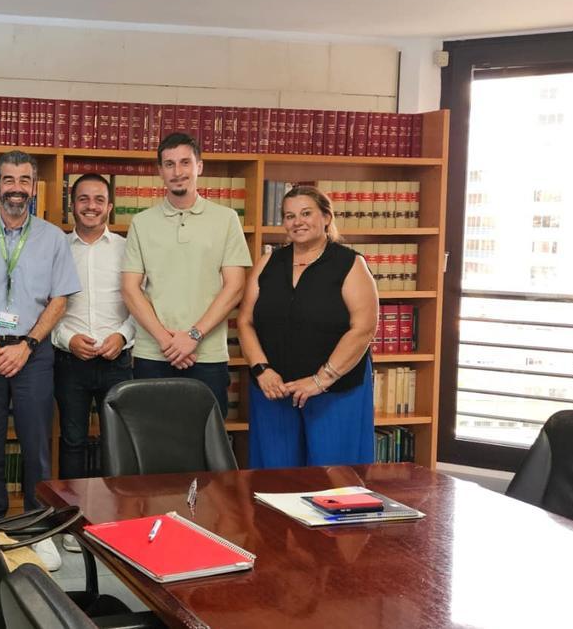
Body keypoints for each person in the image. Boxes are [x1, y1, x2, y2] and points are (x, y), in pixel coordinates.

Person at [0, 150, 81, 571]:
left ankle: (36, 527)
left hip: (35, 353)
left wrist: (26, 343)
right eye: (8, 180)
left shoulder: (53, 238)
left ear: (34, 187)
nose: (16, 189)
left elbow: (60, 298)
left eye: (24, 180)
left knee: (36, 446)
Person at [237, 185, 378, 467]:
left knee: (333, 483)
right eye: (289, 216)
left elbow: (363, 329)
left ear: (326, 217)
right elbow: (245, 321)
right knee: (274, 480)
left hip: (334, 393)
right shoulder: (268, 263)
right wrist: (262, 370)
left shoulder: (350, 263)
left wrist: (320, 380)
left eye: (306, 213)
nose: (297, 222)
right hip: (274, 391)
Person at [121, 132, 252, 415]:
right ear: (160, 172)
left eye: (184, 163)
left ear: (199, 166)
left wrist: (193, 336)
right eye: (169, 164)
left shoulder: (227, 219)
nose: (177, 172)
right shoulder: (141, 223)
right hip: (152, 354)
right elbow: (130, 289)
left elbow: (235, 287)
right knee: (152, 443)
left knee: (206, 445)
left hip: (207, 355)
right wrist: (167, 342)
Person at [50, 173, 134, 552]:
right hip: (71, 360)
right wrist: (68, 338)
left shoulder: (127, 249)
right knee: (73, 442)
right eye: (83, 199)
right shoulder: (56, 249)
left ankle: (112, 519)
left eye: (99, 199)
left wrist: (123, 336)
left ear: (110, 206)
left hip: (118, 359)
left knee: (118, 444)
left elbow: (142, 303)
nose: (91, 206)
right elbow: (46, 307)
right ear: (73, 205)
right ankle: (71, 521)